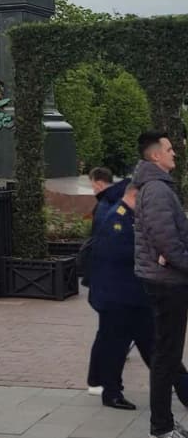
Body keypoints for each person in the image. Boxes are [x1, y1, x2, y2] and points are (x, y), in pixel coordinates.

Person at [134, 132, 188, 438]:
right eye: (169, 149)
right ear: (156, 156)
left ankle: (165, 422)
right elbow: (166, 240)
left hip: (167, 278)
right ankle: (161, 429)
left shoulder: (159, 187)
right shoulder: (156, 190)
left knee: (166, 354)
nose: (174, 154)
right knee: (166, 356)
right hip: (166, 283)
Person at [86, 183, 153, 410]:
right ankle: (111, 393)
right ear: (135, 196)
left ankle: (183, 389)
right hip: (117, 298)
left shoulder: (128, 216)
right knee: (116, 348)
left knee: (154, 347)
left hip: (130, 298)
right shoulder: (117, 218)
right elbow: (121, 255)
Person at [86, 167, 132, 394]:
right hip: (114, 285)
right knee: (110, 334)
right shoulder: (111, 207)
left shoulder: (105, 205)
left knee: (109, 333)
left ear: (97, 183)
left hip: (109, 283)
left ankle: (100, 381)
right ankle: (100, 382)